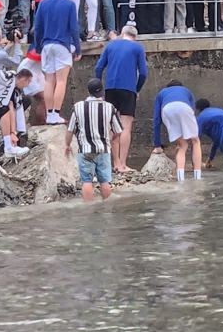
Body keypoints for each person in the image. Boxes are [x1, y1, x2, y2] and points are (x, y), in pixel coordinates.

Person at [94, 25, 147, 173]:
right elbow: (143, 73)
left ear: (122, 33)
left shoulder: (110, 45)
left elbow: (98, 68)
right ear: (134, 37)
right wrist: (137, 89)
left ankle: (113, 163)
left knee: (111, 127)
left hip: (110, 88)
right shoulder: (138, 48)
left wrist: (99, 90)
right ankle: (122, 164)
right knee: (125, 127)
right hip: (128, 89)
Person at [65, 78, 123, 202]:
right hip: (103, 149)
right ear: (102, 92)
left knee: (86, 181)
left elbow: (70, 129)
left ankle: (88, 209)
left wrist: (67, 145)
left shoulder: (78, 107)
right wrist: (113, 140)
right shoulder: (109, 107)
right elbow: (118, 131)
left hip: (85, 150)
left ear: (89, 91)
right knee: (104, 181)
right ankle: (107, 208)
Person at [33, 0, 80, 123]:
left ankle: (49, 113)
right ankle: (56, 113)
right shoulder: (69, 5)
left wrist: (38, 46)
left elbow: (38, 27)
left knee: (49, 80)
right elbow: (74, 29)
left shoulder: (44, 3)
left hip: (47, 45)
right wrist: (78, 48)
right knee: (61, 81)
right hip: (62, 45)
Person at [151, 80, 202, 182]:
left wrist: (157, 145)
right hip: (184, 108)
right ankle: (198, 177)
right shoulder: (186, 91)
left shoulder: (162, 93)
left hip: (167, 110)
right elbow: (191, 111)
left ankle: (181, 179)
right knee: (195, 141)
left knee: (182, 145)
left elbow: (156, 120)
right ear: (180, 87)